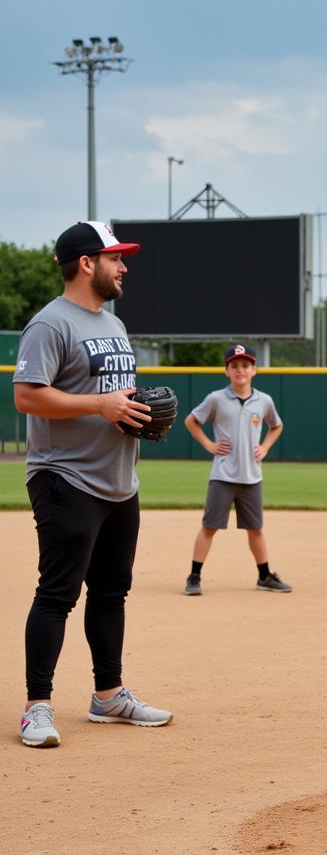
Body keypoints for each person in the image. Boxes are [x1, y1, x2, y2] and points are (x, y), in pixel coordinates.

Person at [13, 221, 174, 748]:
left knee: (111, 591)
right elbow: (28, 396)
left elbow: (111, 395)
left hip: (118, 480)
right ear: (87, 263)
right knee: (57, 593)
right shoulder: (50, 324)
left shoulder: (114, 322)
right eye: (115, 258)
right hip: (66, 476)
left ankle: (108, 695)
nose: (123, 266)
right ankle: (37, 707)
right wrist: (99, 405)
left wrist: (133, 412)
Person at [182, 344, 291, 595]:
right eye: (234, 366)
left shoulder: (264, 401)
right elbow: (191, 421)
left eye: (245, 365)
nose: (240, 370)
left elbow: (277, 426)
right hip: (223, 475)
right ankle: (194, 576)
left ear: (254, 370)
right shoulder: (216, 399)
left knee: (256, 528)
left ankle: (264, 576)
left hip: (252, 476)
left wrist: (265, 447)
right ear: (226, 371)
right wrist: (209, 444)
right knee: (209, 526)